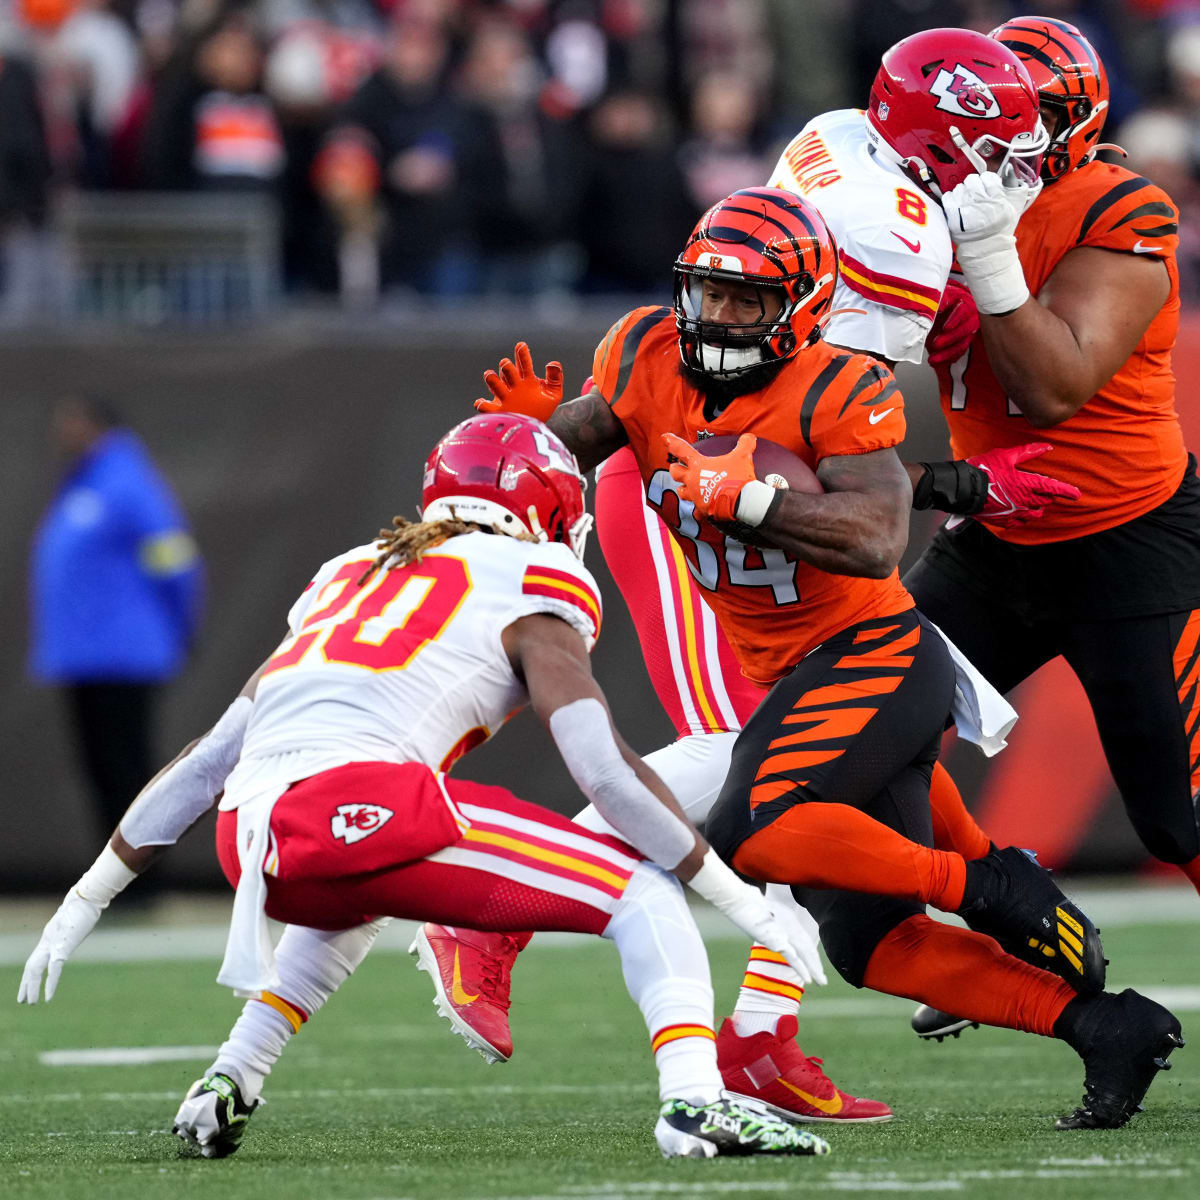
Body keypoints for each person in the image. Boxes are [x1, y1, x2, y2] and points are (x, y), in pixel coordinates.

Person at [412, 27, 1073, 1125]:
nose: (1009, 170)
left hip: (750, 507)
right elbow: (837, 443)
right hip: (706, 501)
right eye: (993, 145)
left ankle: (765, 1032)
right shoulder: (899, 233)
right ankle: (497, 909)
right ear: (942, 136)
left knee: (833, 770)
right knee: (752, 761)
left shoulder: (839, 138)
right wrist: (959, 476)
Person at [17, 413, 830, 1162]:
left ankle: (230, 1079)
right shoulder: (537, 577)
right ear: (545, 504)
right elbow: (605, 771)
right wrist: (746, 905)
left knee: (361, 886)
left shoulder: (350, 572)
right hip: (349, 803)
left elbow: (206, 763)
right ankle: (695, 1102)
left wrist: (84, 901)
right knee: (644, 892)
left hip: (251, 833)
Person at [902, 15, 1200, 1052]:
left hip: (1127, 539)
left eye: (1003, 122)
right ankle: (1014, 920)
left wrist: (982, 251)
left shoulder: (1118, 203)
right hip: (995, 533)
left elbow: (1054, 383)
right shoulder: (926, 194)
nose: (979, 144)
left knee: (1180, 819)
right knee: (859, 728)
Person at [29, 394, 205, 850]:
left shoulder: (126, 483)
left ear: (97, 426)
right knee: (101, 771)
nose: (60, 432)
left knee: (127, 768)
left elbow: (173, 560)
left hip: (125, 655)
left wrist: (180, 625)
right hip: (84, 656)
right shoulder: (83, 483)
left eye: (70, 421)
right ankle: (113, 876)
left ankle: (141, 878)